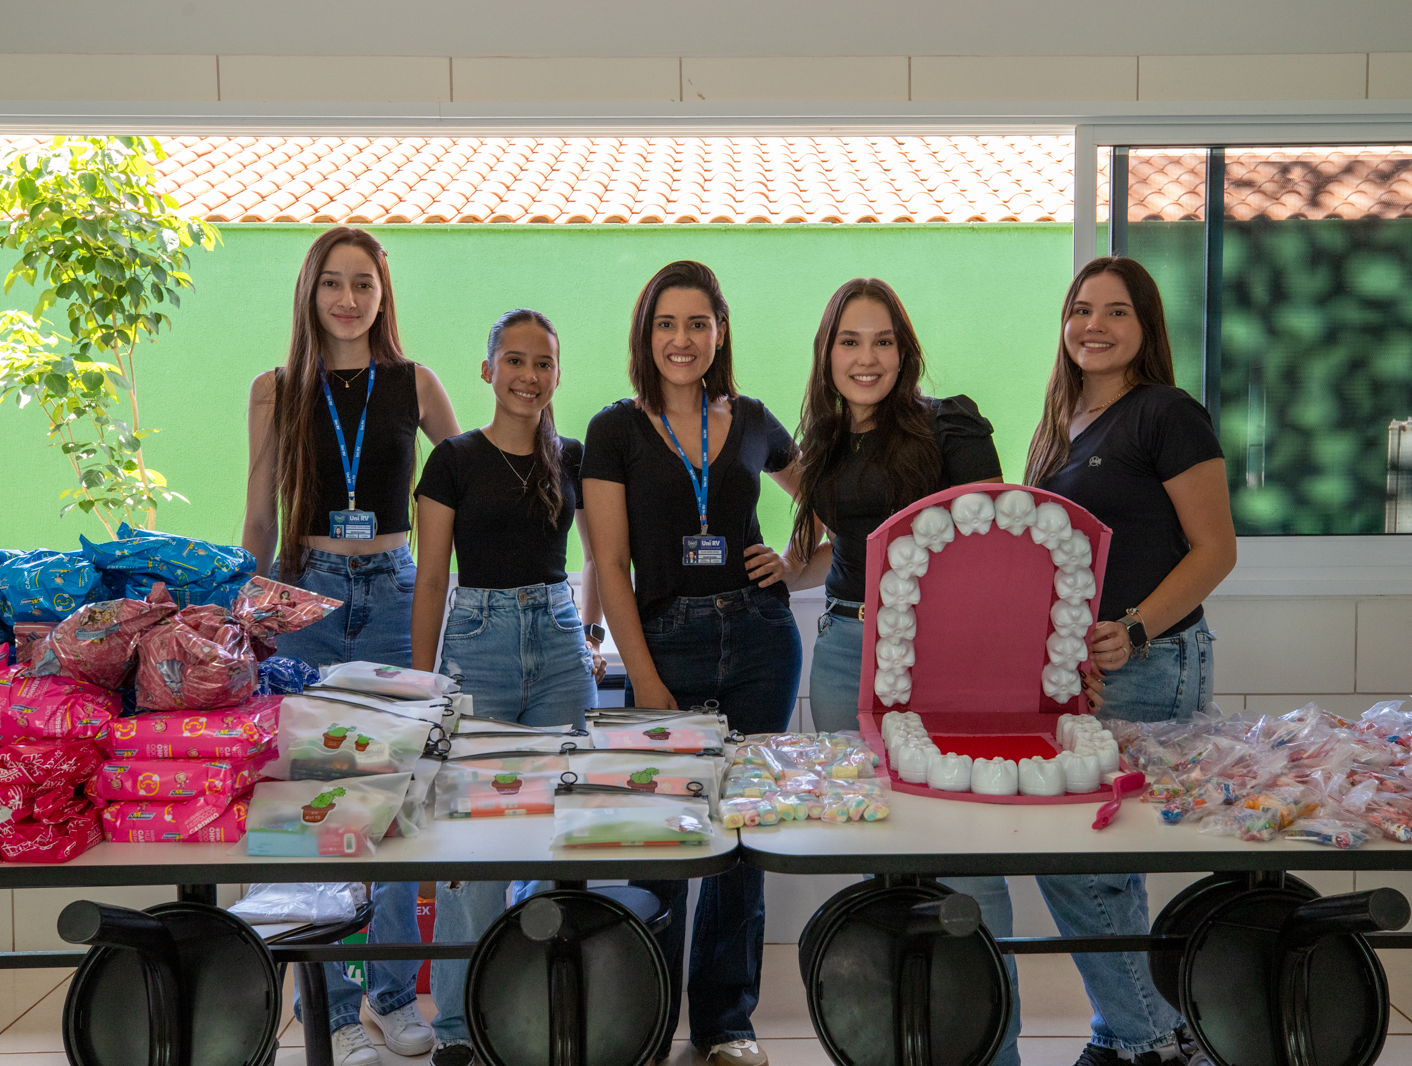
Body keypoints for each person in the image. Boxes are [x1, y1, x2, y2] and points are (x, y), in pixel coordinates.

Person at [242, 225, 460, 1066]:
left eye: (362, 283)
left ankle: (393, 994)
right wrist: (245, 619)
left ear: (382, 293)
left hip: (399, 595)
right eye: (332, 282)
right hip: (307, 599)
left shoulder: (414, 383)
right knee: (316, 807)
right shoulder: (275, 390)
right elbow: (259, 516)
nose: (347, 298)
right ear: (310, 291)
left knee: (395, 802)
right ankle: (329, 1006)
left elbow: (469, 483)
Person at [1014, 256, 1237, 1066]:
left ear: (1145, 327)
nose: (1093, 326)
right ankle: (1124, 1033)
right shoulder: (1060, 423)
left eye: (1115, 312)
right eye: (1081, 309)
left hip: (1150, 661)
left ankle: (1148, 1040)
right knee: (1097, 863)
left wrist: (1134, 629)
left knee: (1084, 856)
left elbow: (1215, 550)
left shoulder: (1165, 414)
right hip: (1088, 671)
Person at [582, 260, 803, 1066]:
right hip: (663, 641)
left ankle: (724, 1026)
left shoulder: (751, 419)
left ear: (720, 332)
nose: (683, 340)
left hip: (759, 640)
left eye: (698, 324)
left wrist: (795, 562)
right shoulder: (614, 429)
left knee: (740, 841)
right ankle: (645, 1025)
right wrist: (641, 676)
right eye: (667, 324)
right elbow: (609, 564)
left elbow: (822, 498)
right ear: (646, 334)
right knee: (661, 838)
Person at [410, 308, 607, 1066]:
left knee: (565, 829)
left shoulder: (574, 457)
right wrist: (424, 686)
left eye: (543, 363)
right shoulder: (453, 459)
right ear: (488, 369)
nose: (529, 375)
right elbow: (432, 580)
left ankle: (541, 1007)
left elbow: (600, 559)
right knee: (473, 841)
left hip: (558, 643)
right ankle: (459, 1029)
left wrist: (591, 636)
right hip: (477, 642)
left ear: (557, 374)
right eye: (515, 360)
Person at [784, 277, 1004, 734]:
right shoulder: (825, 442)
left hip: (934, 646)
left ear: (903, 353)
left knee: (931, 778)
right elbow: (849, 550)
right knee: (849, 779)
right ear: (827, 353)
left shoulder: (950, 425)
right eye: (850, 342)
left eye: (883, 342)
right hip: (842, 646)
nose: (867, 358)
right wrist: (784, 572)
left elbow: (993, 558)